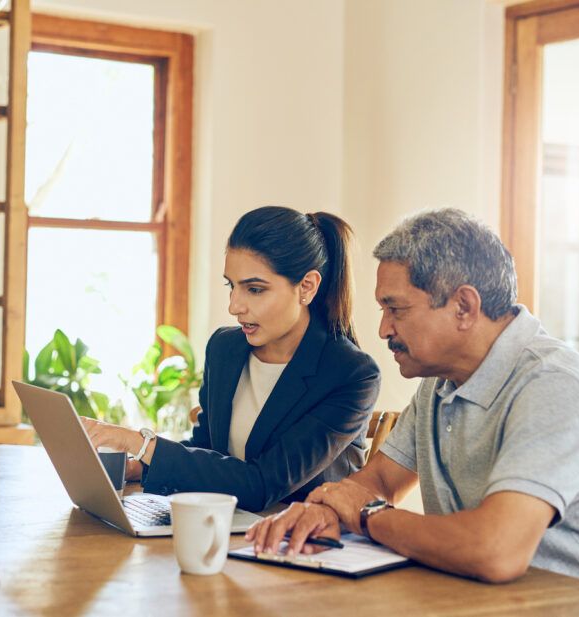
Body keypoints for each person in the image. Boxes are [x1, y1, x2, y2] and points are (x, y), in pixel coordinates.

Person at [247, 208, 579, 599]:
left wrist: (368, 515)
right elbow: (377, 480)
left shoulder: (554, 386)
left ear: (464, 307)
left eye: (396, 309)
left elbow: (495, 551)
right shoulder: (440, 383)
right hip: (505, 601)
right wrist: (329, 508)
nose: (383, 329)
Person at [81, 206, 381, 512]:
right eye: (231, 286)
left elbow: (262, 484)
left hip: (304, 536)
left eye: (254, 289)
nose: (234, 306)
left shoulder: (351, 374)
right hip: (227, 525)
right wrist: (139, 467)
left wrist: (140, 443)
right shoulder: (225, 348)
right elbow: (206, 451)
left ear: (307, 286)